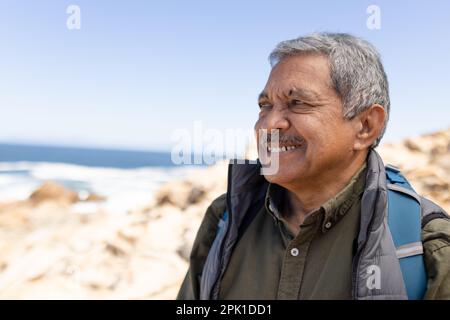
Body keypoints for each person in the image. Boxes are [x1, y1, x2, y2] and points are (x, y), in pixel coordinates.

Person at [177, 33, 450, 300]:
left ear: (365, 126)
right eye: (265, 105)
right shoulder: (226, 217)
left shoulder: (427, 245)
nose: (269, 124)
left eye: (298, 103)